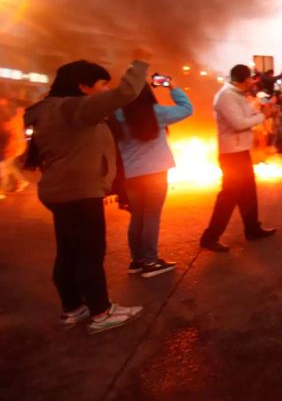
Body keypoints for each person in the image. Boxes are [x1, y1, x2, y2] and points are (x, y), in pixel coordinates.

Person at [25, 55, 149, 333]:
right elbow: (125, 93)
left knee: (69, 252)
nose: (105, 89)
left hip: (61, 191)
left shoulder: (51, 109)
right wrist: (140, 64)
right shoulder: (74, 108)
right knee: (90, 254)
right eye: (102, 84)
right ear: (84, 87)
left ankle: (73, 308)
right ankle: (101, 312)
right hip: (79, 192)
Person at [111, 82, 193, 277]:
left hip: (131, 174)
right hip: (156, 173)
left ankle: (137, 261)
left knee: (137, 216)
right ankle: (150, 262)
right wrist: (173, 87)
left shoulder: (116, 114)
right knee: (151, 216)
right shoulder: (156, 113)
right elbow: (186, 109)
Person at [200, 65, 278, 252]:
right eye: (251, 78)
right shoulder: (226, 96)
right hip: (231, 154)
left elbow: (247, 114)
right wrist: (263, 116)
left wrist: (260, 109)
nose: (253, 82)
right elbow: (238, 123)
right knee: (229, 196)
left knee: (248, 193)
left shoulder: (237, 95)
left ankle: (252, 229)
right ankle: (210, 237)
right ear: (243, 80)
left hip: (241, 151)